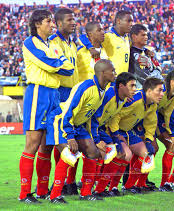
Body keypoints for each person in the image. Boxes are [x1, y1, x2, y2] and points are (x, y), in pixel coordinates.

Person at [19, 9, 74, 203]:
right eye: (48, 21)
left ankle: (42, 191)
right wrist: (58, 63)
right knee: (32, 144)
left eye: (52, 21)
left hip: (54, 94)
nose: (52, 25)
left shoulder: (51, 44)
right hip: (38, 93)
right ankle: (24, 193)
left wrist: (57, 63)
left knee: (47, 146)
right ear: (37, 24)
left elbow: (69, 69)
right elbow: (49, 64)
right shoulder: (29, 42)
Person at [47, 59, 116, 203]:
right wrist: (70, 136)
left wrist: (96, 140)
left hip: (79, 126)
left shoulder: (103, 89)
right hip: (61, 121)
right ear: (103, 73)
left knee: (93, 152)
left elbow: (95, 118)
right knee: (68, 154)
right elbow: (67, 111)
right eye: (112, 71)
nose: (115, 73)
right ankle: (54, 195)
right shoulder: (85, 87)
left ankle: (85, 193)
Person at [83, 72, 136, 198]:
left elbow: (112, 120)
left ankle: (99, 188)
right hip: (88, 127)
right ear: (121, 86)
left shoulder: (121, 99)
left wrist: (115, 139)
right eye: (132, 86)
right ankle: (86, 189)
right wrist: (96, 139)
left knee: (115, 151)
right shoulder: (109, 95)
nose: (134, 89)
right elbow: (94, 117)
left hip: (101, 128)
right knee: (94, 153)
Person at [108, 77, 164, 194]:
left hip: (128, 132)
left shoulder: (152, 104)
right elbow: (116, 115)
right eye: (159, 90)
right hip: (114, 130)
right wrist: (115, 134)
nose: (162, 94)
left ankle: (129, 186)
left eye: (162, 91)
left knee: (148, 152)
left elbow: (150, 124)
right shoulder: (135, 100)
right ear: (149, 91)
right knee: (124, 155)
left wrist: (148, 140)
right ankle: (110, 187)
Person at [49, 7, 79, 195]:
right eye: (69, 20)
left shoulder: (72, 43)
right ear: (59, 23)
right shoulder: (53, 42)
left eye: (74, 19)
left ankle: (70, 182)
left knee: (72, 137)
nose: (73, 22)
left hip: (73, 94)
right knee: (61, 139)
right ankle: (56, 184)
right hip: (60, 93)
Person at [79, 10, 133, 75]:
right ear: (118, 21)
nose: (131, 24)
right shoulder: (108, 36)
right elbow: (83, 37)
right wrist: (91, 48)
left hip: (123, 80)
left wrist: (146, 50)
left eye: (132, 21)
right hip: (111, 80)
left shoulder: (127, 38)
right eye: (128, 21)